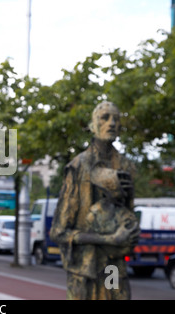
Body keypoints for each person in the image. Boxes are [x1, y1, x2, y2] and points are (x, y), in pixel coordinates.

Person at [50, 101, 140, 300]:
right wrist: (109, 239)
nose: (112, 123)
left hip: (113, 266)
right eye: (105, 117)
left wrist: (128, 233)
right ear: (93, 125)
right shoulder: (78, 167)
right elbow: (59, 231)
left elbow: (129, 219)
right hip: (84, 270)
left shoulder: (126, 166)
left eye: (116, 119)